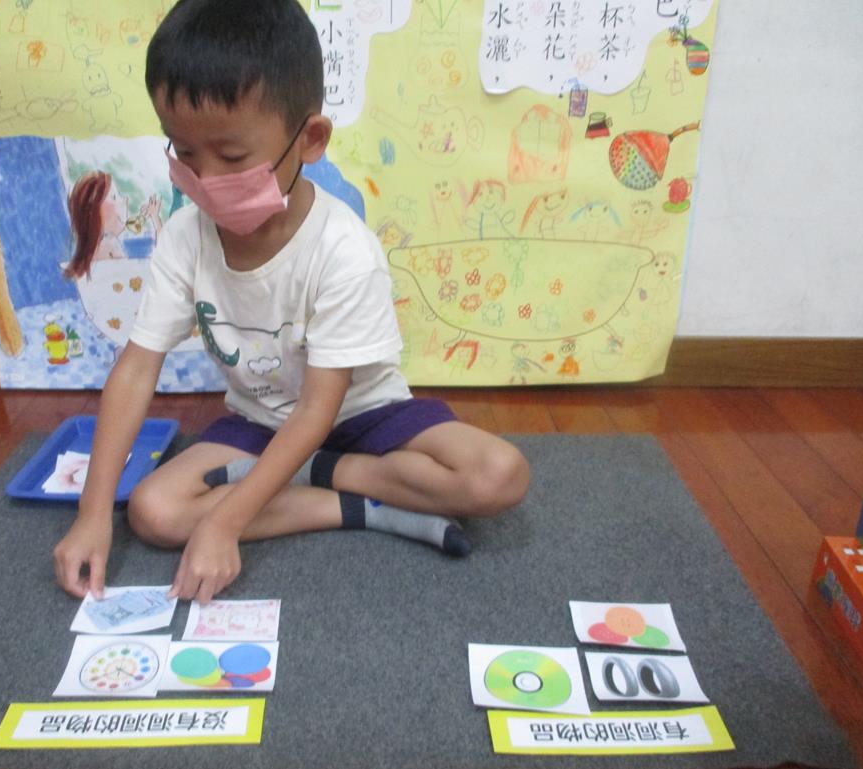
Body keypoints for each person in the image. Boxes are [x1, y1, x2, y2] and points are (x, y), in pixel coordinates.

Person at [53, 0, 530, 605]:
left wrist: (224, 522)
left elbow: (318, 412)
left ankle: (319, 474)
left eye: (231, 157)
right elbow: (136, 369)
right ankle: (355, 504)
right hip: (261, 423)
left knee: (498, 475)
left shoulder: (343, 249)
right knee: (153, 512)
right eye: (184, 153)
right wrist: (93, 513)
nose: (205, 179)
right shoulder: (183, 238)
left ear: (309, 139)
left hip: (362, 416)